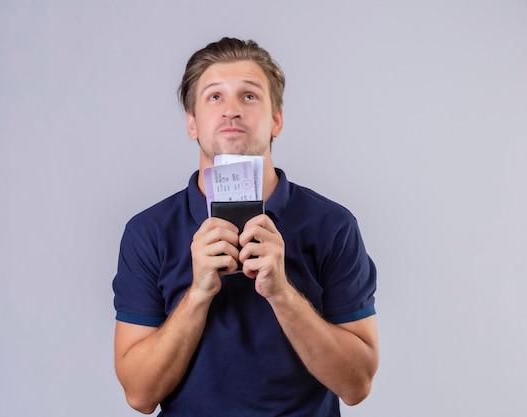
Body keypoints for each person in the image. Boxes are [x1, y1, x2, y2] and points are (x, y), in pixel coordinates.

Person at [113, 37, 378, 416]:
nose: (231, 111)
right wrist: (199, 292)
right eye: (214, 97)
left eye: (249, 96)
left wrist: (282, 293)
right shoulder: (148, 231)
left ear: (276, 120)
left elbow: (356, 385)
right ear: (192, 123)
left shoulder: (332, 225)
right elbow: (139, 395)